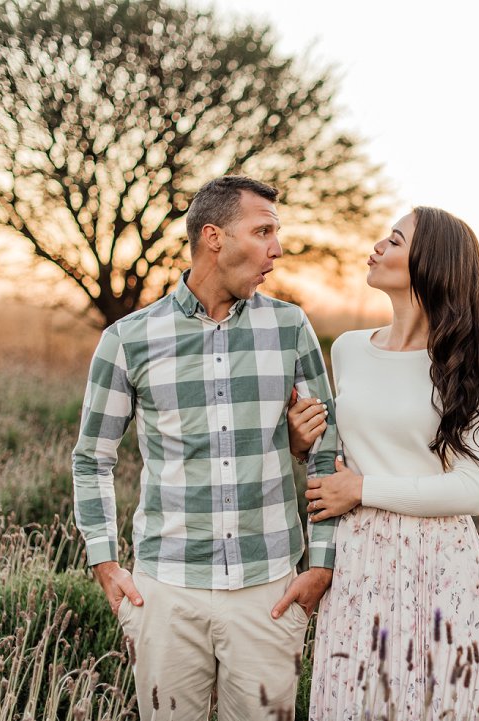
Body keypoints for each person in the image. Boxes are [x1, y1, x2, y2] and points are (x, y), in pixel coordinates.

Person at [71, 175, 338, 721]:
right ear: (213, 237)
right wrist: (103, 558)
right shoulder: (128, 338)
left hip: (269, 591)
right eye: (262, 231)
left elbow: (328, 451)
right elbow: (92, 457)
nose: (276, 249)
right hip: (166, 591)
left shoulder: (290, 327)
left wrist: (322, 565)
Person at [288, 206, 479, 720]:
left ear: (429, 263)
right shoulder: (348, 349)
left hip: (443, 570)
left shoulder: (468, 365)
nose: (376, 247)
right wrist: (303, 444)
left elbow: (473, 490)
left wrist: (363, 489)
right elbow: (337, 452)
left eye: (393, 241)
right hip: (358, 566)